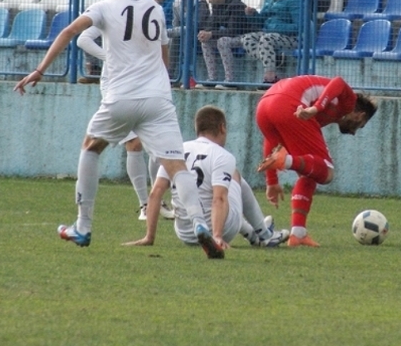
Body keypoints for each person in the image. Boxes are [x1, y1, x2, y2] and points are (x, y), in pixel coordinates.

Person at [13, 0, 220, 258]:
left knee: (90, 148)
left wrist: (40, 70)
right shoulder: (155, 9)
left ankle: (83, 226)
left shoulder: (105, 7)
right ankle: (200, 223)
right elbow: (163, 58)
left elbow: (70, 32)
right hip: (158, 99)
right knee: (177, 166)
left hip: (121, 97)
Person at [124, 105, 291, 252]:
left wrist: (149, 236)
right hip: (221, 230)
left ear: (197, 128)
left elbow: (155, 193)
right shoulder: (222, 155)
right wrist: (217, 236)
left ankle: (252, 233)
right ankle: (264, 234)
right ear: (222, 128)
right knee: (234, 175)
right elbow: (219, 199)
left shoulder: (176, 151)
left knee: (213, 190)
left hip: (185, 233)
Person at [255, 74, 377, 247]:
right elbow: (339, 82)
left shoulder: (319, 115)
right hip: (288, 103)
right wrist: (316, 108)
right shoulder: (348, 103)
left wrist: (272, 181)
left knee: (310, 169)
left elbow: (272, 139)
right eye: (360, 125)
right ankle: (287, 161)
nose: (354, 132)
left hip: (263, 107)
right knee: (327, 172)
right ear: (360, 115)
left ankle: (298, 233)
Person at [76, 22, 176, 221]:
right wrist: (109, 57)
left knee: (156, 146)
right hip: (115, 86)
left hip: (143, 84)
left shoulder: (145, 13)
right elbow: (83, 39)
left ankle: (157, 201)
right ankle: (145, 204)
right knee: (134, 143)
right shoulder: (109, 11)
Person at [219, 0, 300, 84]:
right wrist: (252, 15)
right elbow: (261, 22)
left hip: (293, 38)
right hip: (271, 34)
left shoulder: (295, 0)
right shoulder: (268, 0)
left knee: (266, 39)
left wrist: (275, 27)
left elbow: (299, 27)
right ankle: (273, 57)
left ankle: (270, 78)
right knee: (246, 39)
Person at [197, 0, 253, 86]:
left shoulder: (236, 5)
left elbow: (233, 31)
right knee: (206, 42)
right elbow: (212, 23)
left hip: (243, 36)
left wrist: (212, 34)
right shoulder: (216, 5)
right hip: (230, 35)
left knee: (222, 41)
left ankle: (230, 80)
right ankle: (212, 79)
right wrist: (205, 32)